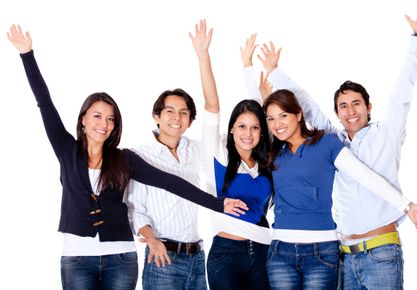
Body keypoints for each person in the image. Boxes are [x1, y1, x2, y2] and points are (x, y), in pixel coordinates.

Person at [7, 24, 247, 290]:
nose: (104, 123)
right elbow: (45, 104)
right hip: (77, 257)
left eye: (110, 119)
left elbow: (170, 182)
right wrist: (27, 54)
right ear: (83, 119)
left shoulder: (124, 159)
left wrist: (217, 204)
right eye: (97, 116)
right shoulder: (67, 150)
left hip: (121, 257)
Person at [254, 5, 417, 289]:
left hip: (381, 250)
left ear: (368, 107)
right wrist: (275, 73)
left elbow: (403, 90)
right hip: (344, 255)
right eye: (343, 106)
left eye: (356, 104)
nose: (350, 111)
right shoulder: (332, 141)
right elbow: (308, 106)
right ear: (338, 113)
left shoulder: (386, 134)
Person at [190, 20, 272, 290]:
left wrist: (249, 67)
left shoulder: (264, 163)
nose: (248, 133)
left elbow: (261, 111)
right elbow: (211, 103)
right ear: (232, 128)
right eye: (242, 126)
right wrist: (203, 55)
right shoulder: (218, 152)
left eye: (254, 128)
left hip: (263, 252)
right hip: (226, 256)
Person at [125, 88, 209, 290]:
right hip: (163, 257)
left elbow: (235, 139)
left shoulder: (196, 150)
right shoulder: (140, 156)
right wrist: (152, 240)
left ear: (189, 121)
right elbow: (135, 210)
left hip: (197, 256)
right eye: (170, 111)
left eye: (184, 113)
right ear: (157, 116)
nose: (177, 118)